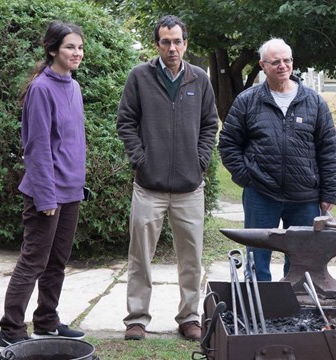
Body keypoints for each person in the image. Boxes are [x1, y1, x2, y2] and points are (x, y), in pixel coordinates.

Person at [116, 15, 219, 341]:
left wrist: (200, 161)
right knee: (140, 257)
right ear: (157, 44)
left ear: (185, 44)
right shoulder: (139, 77)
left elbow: (209, 124)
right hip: (149, 187)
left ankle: (189, 317)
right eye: (166, 42)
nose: (172, 48)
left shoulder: (199, 79)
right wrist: (140, 160)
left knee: (191, 259)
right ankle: (137, 318)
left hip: (190, 188)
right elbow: (126, 122)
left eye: (177, 41)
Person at [0, 22, 87, 352]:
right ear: (52, 50)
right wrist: (46, 195)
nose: (76, 53)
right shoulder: (41, 89)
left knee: (57, 261)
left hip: (72, 191)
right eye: (69, 48)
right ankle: (10, 328)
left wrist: (78, 184)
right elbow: (36, 148)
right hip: (45, 193)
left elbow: (72, 143)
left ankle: (47, 322)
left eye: (79, 47)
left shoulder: (73, 87)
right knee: (33, 261)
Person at [218, 38, 336, 282]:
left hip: (305, 196)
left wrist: (329, 194)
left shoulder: (314, 102)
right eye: (275, 62)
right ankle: (263, 308)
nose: (282, 66)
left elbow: (328, 150)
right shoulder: (247, 101)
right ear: (262, 65)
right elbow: (228, 144)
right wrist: (248, 178)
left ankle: (295, 310)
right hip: (261, 195)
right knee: (257, 259)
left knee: (301, 261)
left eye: (287, 60)